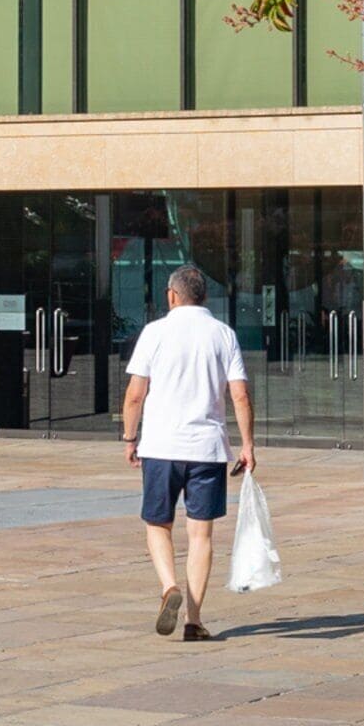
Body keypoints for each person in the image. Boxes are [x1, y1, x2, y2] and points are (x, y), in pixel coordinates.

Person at [119, 264, 254, 642]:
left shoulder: (155, 332)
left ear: (172, 295)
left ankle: (168, 587)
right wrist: (247, 445)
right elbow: (239, 395)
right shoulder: (223, 334)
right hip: (208, 450)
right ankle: (194, 620)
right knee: (201, 536)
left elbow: (135, 394)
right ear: (204, 296)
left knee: (158, 524)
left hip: (161, 446)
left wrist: (131, 438)